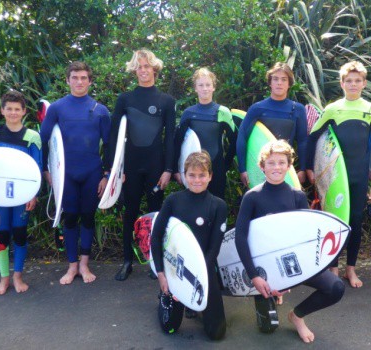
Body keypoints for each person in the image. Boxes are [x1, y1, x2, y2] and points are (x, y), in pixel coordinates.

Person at [235, 140, 344, 343]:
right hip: (263, 269)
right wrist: (254, 277)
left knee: (335, 288)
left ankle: (297, 316)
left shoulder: (297, 196)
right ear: (262, 166)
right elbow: (240, 237)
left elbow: (304, 239)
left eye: (281, 162)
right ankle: (269, 294)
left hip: (293, 265)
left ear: (288, 166)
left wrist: (289, 279)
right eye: (271, 163)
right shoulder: (252, 197)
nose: (276, 167)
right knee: (268, 328)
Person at [306, 61, 371, 288]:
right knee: (335, 221)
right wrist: (312, 169)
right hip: (336, 179)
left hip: (359, 177)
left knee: (356, 223)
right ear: (341, 83)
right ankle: (333, 267)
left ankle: (351, 269)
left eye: (357, 80)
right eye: (348, 80)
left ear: (364, 83)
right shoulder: (332, 109)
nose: (353, 84)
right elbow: (313, 137)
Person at [40, 61, 111, 285]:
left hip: (91, 172)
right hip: (66, 174)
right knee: (70, 218)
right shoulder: (57, 108)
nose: (79, 82)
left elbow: (109, 146)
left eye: (83, 78)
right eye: (75, 77)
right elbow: (44, 141)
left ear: (90, 81)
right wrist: (46, 170)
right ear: (68, 80)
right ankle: (71, 267)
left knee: (88, 218)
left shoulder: (100, 110)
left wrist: (107, 175)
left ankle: (84, 264)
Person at [109, 49, 176, 281]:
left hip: (156, 167)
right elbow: (113, 137)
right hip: (131, 168)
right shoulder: (125, 99)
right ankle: (127, 260)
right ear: (134, 70)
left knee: (155, 215)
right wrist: (115, 171)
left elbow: (170, 139)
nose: (143, 70)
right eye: (139, 66)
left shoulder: (166, 101)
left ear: (154, 69)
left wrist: (169, 169)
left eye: (147, 66)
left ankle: (154, 261)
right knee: (130, 213)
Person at [151, 151, 227, 340]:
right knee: (169, 328)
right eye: (192, 175)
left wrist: (197, 277)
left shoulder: (218, 205)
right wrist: (161, 274)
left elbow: (214, 248)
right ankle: (166, 298)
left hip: (204, 268)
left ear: (210, 176)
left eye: (202, 175)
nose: (197, 180)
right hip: (175, 269)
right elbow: (156, 236)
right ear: (185, 175)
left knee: (217, 334)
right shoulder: (173, 201)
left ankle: (196, 307)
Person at [0, 90, 42, 295]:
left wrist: (33, 193)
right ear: (2, 111)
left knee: (20, 235)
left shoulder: (32, 137)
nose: (13, 113)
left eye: (17, 109)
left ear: (24, 112)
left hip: (22, 196)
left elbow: (37, 168)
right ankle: (4, 278)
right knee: (2, 235)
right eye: (9, 109)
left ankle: (18, 276)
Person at [236, 62, 308, 188]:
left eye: (283, 79)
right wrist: (243, 169)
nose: (279, 83)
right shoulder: (257, 108)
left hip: (284, 168)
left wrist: (302, 169)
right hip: (260, 169)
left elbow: (302, 141)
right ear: (270, 82)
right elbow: (242, 137)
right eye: (275, 79)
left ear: (289, 83)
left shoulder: (298, 109)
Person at [173, 68, 236, 200]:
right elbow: (177, 142)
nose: (205, 88)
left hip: (216, 168)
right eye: (201, 85)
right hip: (193, 170)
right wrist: (176, 170)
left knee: (216, 204)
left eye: (208, 85)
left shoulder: (222, 112)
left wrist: (225, 165)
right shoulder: (188, 113)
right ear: (195, 88)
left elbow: (234, 141)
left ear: (213, 87)